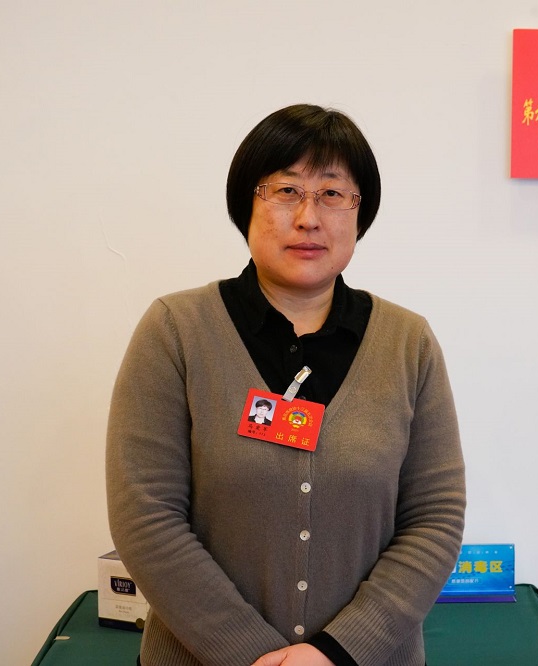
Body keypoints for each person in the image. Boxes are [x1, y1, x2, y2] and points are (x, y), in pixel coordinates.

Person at [106, 104, 466, 666]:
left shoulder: (407, 342)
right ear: (245, 204)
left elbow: (435, 518)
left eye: (332, 193)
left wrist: (336, 652)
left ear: (360, 213)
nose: (308, 217)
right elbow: (145, 515)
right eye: (286, 191)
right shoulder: (176, 330)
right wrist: (253, 654)